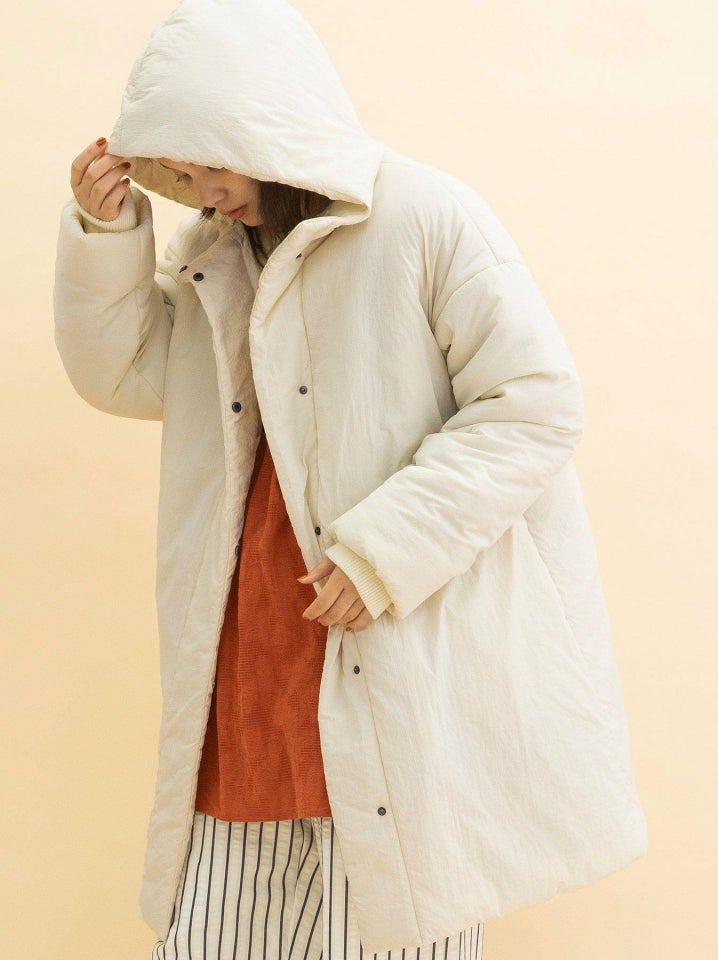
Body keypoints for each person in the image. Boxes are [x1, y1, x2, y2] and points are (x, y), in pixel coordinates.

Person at [52, 0, 649, 958]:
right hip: (250, 645)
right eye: (182, 172)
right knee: (217, 924)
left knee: (390, 903)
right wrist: (106, 231)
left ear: (266, 120)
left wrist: (384, 553)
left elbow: (533, 402)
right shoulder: (213, 249)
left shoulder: (424, 215)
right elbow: (126, 375)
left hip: (379, 625)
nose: (203, 190)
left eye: (211, 161)